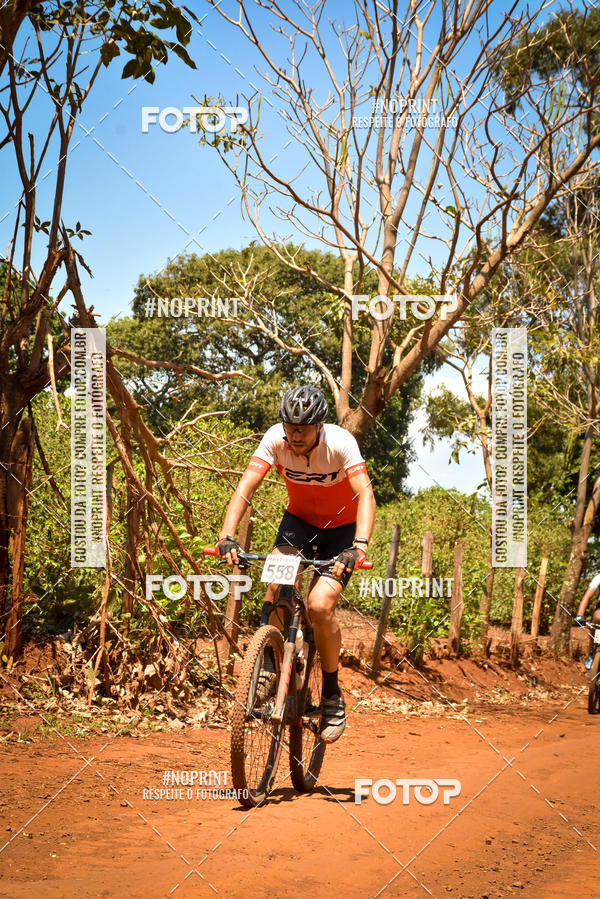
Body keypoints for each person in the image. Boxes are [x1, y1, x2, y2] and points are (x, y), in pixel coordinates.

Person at [216, 384, 376, 742]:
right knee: (275, 583)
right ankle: (268, 666)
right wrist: (227, 534)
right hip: (299, 525)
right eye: (289, 427)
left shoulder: (340, 443)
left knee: (320, 605)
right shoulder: (275, 440)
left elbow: (365, 493)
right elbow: (246, 486)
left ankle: (333, 695)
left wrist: (359, 547)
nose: (294, 435)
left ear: (320, 425)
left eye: (301, 429)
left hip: (342, 532)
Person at [574, 573, 600, 668]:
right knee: (597, 618)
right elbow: (586, 597)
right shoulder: (598, 577)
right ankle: (592, 650)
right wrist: (580, 615)